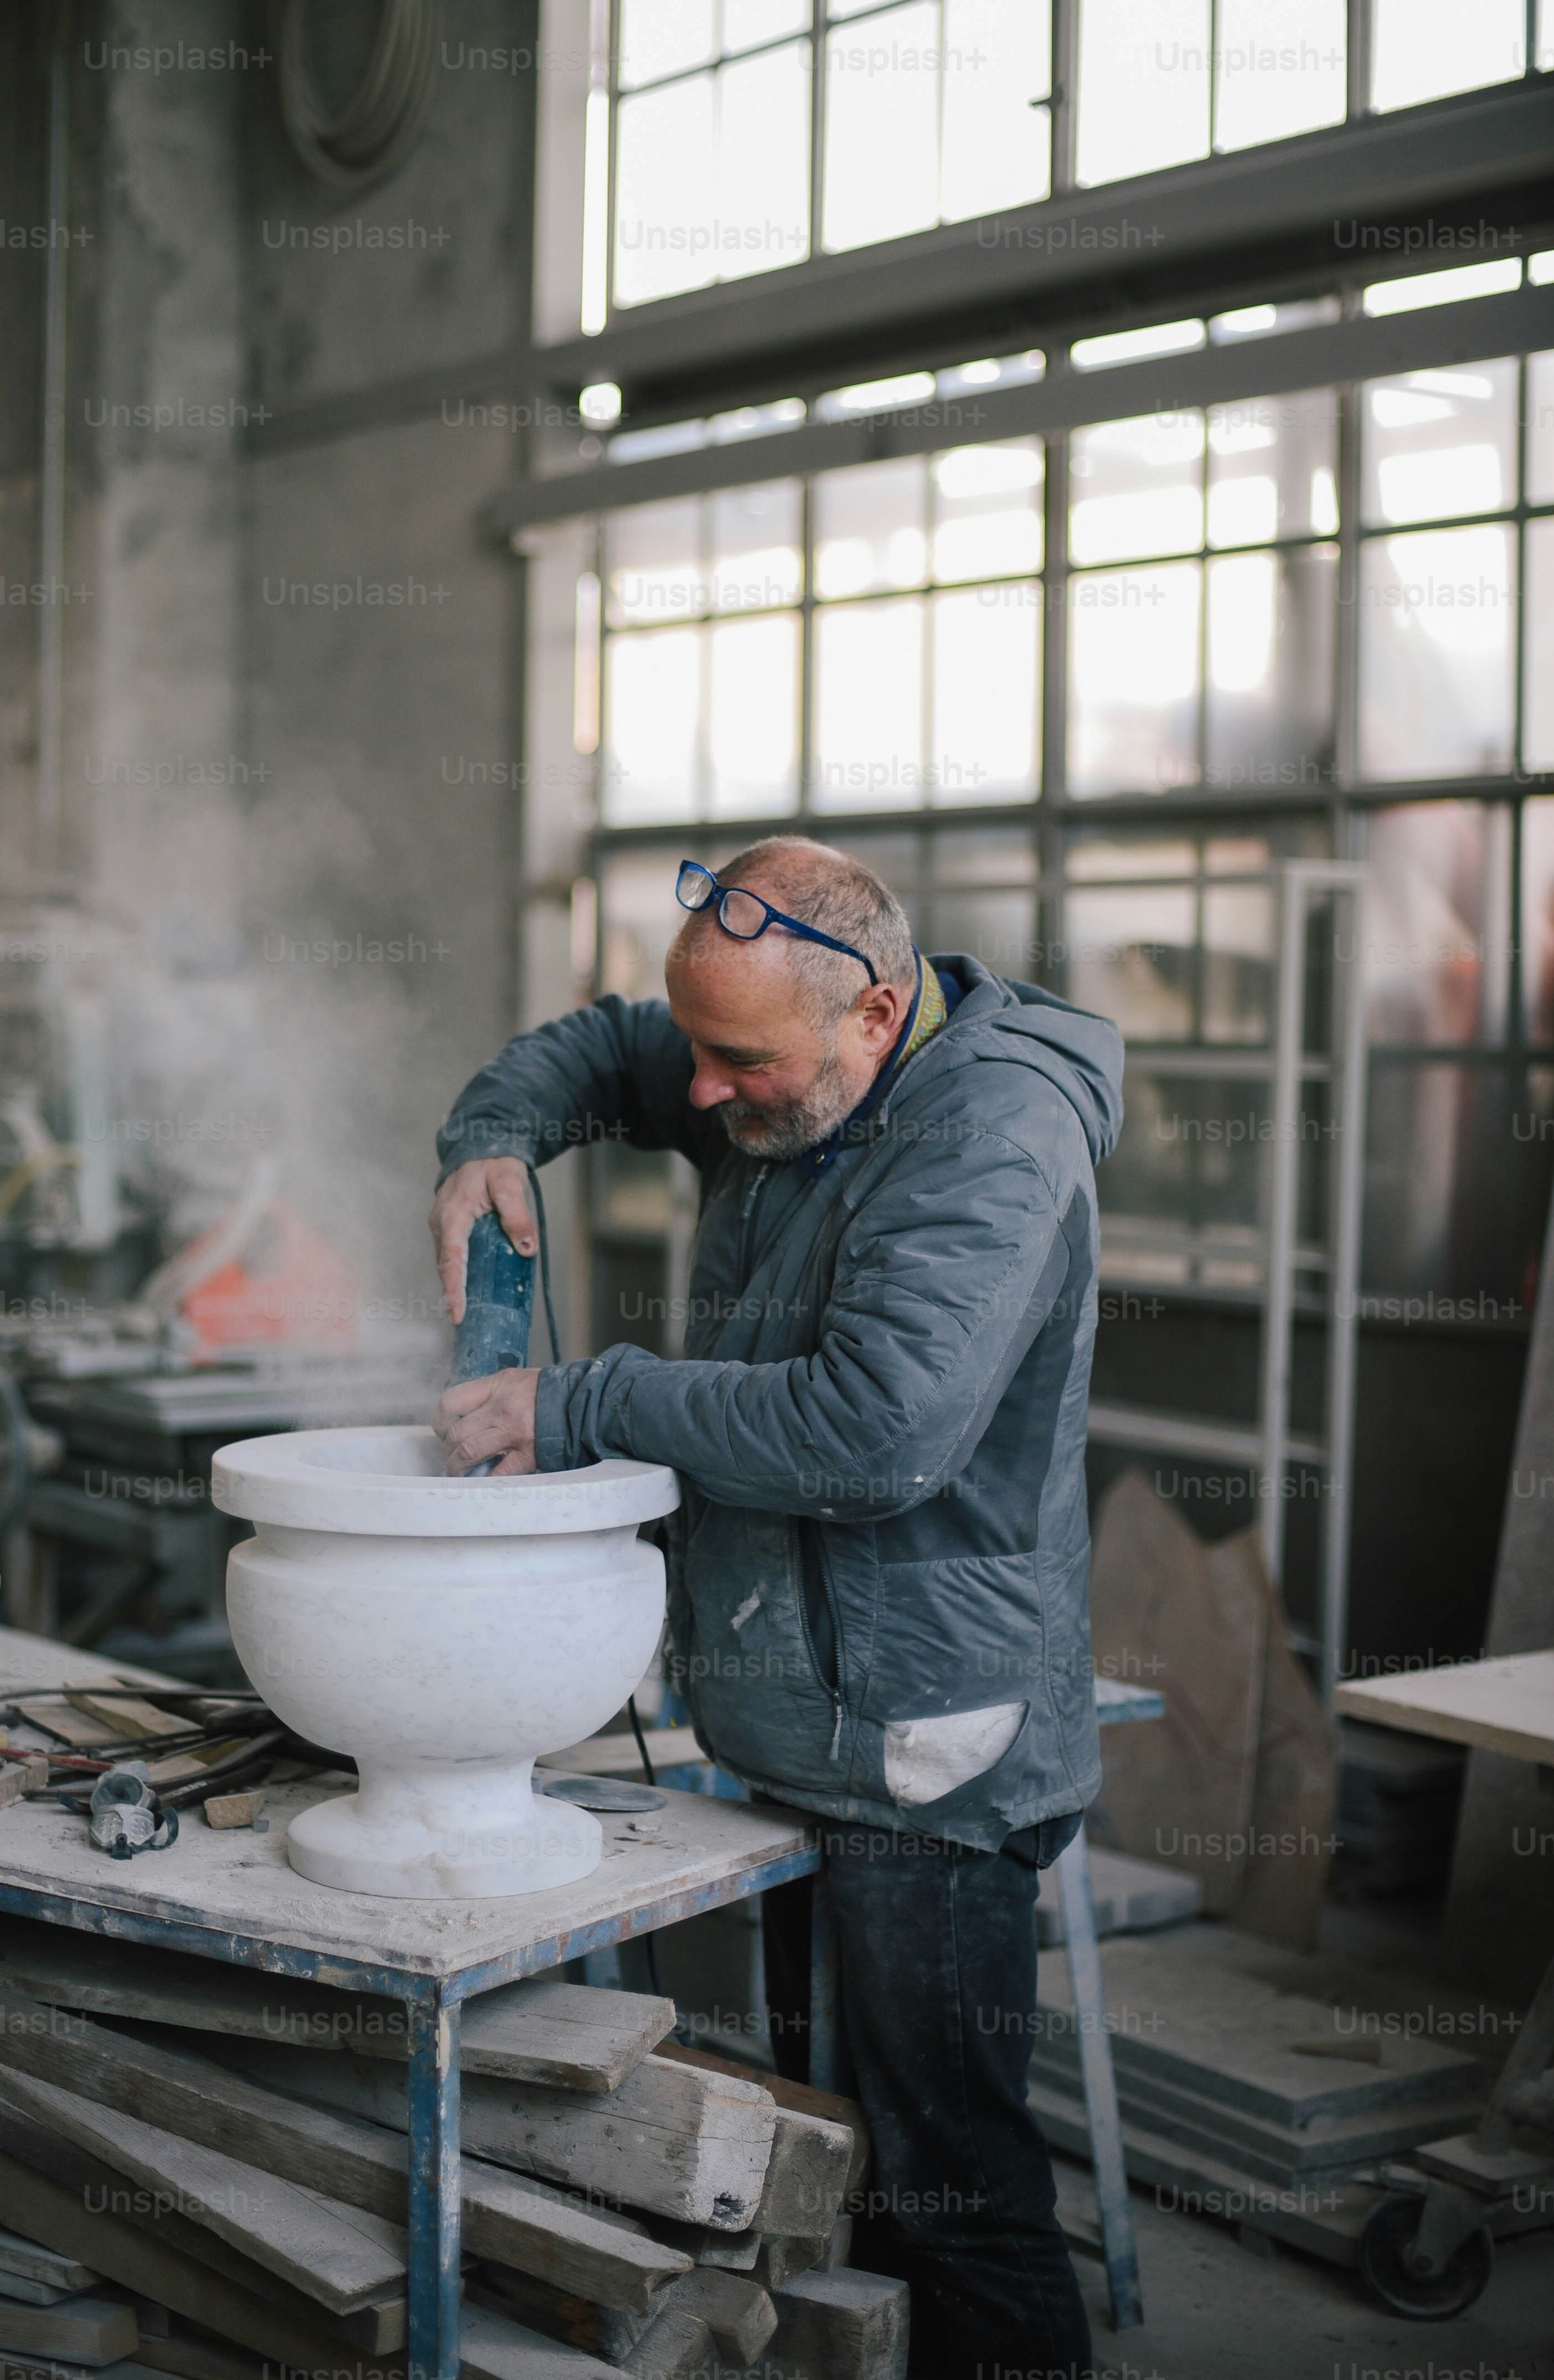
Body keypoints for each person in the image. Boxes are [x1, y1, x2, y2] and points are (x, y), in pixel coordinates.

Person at [430, 836, 1123, 2380]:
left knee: (953, 2180)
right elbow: (610, 1050)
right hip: (800, 1700)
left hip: (922, 1735)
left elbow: (873, 1434)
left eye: (738, 1062)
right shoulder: (780, 1057)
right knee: (832, 2150)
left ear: (875, 1018)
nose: (696, 1095)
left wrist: (582, 1399)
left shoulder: (990, 1138)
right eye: (701, 1049)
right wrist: (492, 1133)